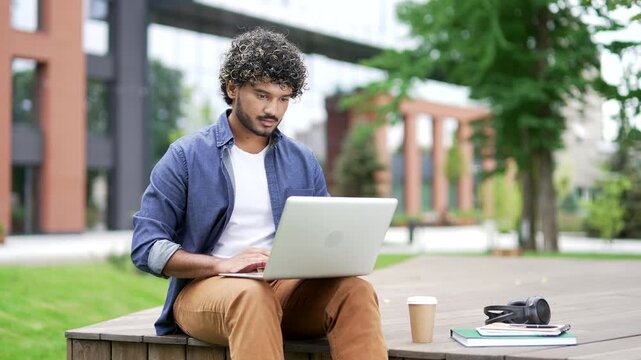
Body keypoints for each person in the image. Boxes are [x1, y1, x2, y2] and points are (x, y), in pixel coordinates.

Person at [131, 29, 388, 360]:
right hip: (208, 291)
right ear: (232, 88)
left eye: (283, 99)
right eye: (262, 95)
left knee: (355, 291)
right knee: (252, 296)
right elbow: (146, 246)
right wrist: (223, 264)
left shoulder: (302, 160)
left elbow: (323, 237)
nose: (274, 110)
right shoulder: (187, 156)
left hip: (283, 289)